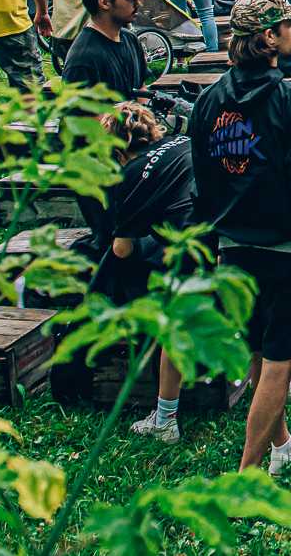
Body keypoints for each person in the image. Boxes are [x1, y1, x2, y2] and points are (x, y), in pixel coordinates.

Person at [190, 0, 291, 478]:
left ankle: (282, 442)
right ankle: (249, 471)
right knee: (280, 358)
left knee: (257, 342)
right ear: (269, 38)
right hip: (290, 243)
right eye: (289, 26)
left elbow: (202, 177)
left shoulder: (208, 102)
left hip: (234, 240)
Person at [66, 102, 202, 445]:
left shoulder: (131, 175)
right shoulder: (181, 141)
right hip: (226, 231)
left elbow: (121, 250)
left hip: (191, 245)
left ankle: (165, 419)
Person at [61, 0, 150, 101]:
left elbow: (141, 89)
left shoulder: (130, 39)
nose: (138, 3)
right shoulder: (83, 59)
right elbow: (83, 118)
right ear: (104, 2)